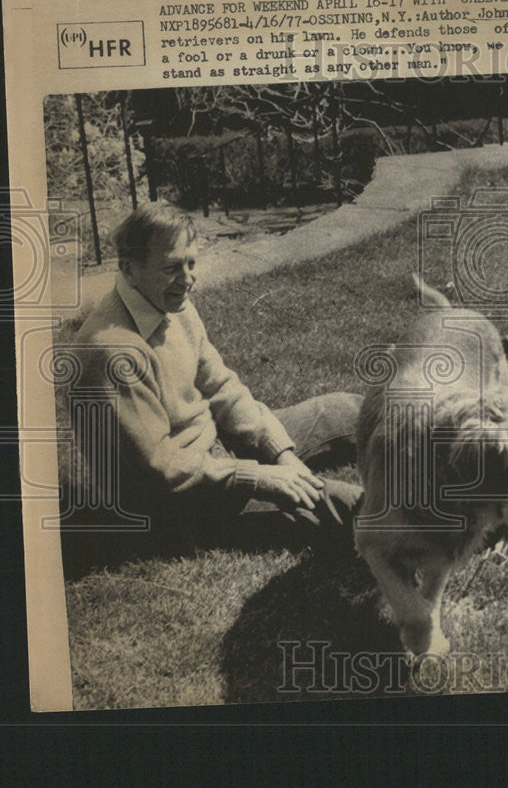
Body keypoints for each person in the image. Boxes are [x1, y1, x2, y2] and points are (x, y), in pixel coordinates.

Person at [69, 200, 363, 560]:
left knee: (346, 410)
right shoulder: (112, 350)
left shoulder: (172, 304)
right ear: (129, 269)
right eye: (172, 267)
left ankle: (444, 442)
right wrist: (261, 477)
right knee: (342, 504)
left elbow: (222, 386)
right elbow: (161, 470)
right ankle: (432, 521)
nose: (188, 278)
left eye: (191, 263)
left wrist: (279, 452)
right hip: (182, 505)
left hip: (218, 449)